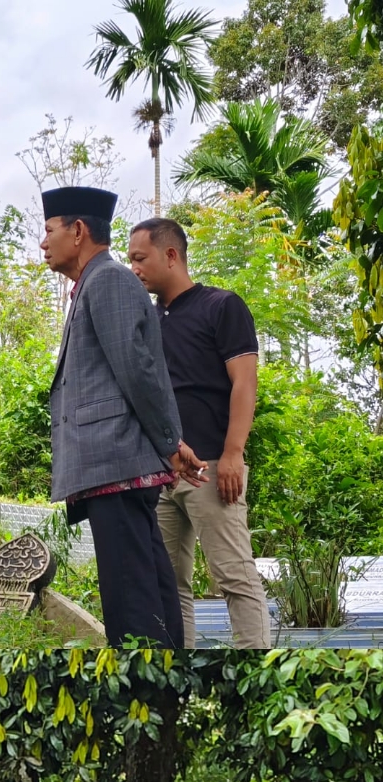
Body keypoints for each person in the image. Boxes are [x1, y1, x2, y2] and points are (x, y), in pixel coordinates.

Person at [40, 186, 208, 647]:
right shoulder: (97, 282)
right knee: (149, 581)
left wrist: (170, 443)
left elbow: (137, 370)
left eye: (49, 230)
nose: (43, 241)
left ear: (78, 232)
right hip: (116, 464)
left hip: (116, 459)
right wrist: (170, 442)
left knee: (129, 593)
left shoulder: (108, 280)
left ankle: (143, 693)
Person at [127, 218, 271, 649]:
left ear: (171, 255)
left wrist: (233, 453)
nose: (133, 268)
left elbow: (245, 383)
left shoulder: (221, 306)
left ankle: (258, 668)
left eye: (140, 258)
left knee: (233, 575)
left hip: (211, 466)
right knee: (169, 585)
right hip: (163, 471)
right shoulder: (147, 320)